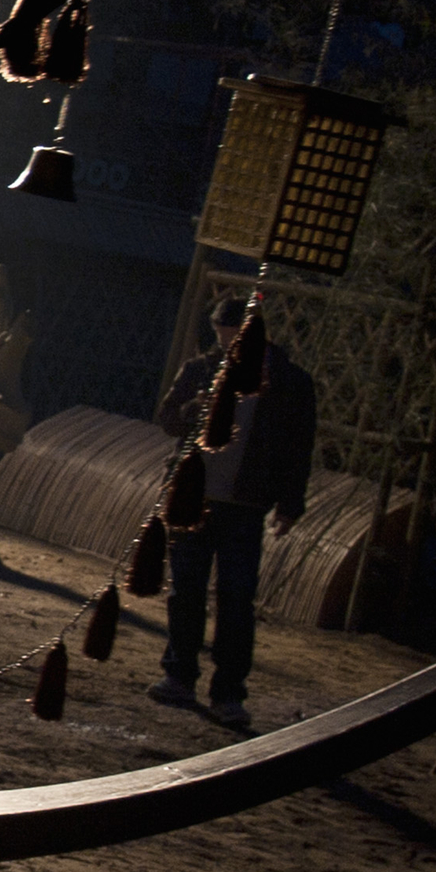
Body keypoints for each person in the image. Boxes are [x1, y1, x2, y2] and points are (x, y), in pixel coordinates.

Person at [150, 292, 318, 715]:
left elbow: (298, 449)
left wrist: (289, 504)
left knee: (236, 599)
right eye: (222, 337)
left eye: (233, 336)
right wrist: (195, 408)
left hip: (245, 504)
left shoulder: (288, 383)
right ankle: (179, 674)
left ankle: (227, 691)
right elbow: (168, 419)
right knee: (186, 591)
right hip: (194, 497)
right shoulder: (202, 370)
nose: (227, 345)